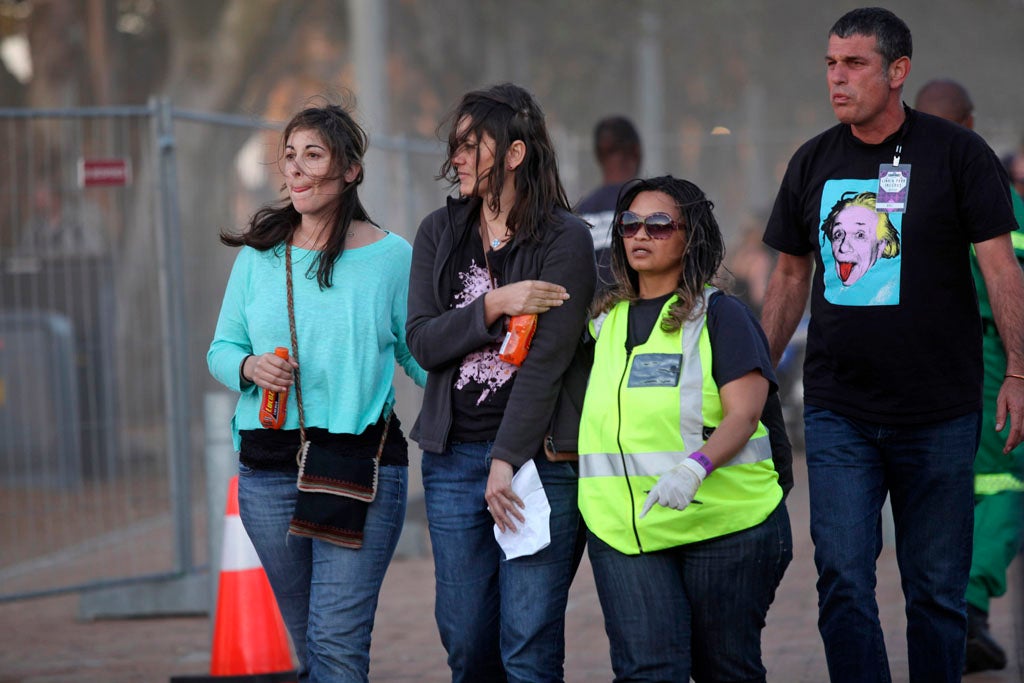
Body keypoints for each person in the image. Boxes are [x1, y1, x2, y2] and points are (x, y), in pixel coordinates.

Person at [760, 8, 1024, 682]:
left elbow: (1001, 269)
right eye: (830, 64)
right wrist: (757, 375)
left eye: (854, 65)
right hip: (838, 409)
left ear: (897, 71)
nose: (838, 78)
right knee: (843, 578)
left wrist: (1019, 371)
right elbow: (791, 276)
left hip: (940, 409)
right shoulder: (812, 161)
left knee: (936, 592)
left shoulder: (958, 155)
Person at [207, 102, 426, 682]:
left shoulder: (392, 258)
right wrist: (250, 366)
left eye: (313, 155)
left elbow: (418, 353)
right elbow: (221, 350)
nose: (296, 170)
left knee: (336, 644)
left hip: (360, 466)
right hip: (269, 466)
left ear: (350, 170)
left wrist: (492, 389)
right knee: (314, 645)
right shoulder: (260, 256)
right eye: (289, 156)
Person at [406, 82, 595, 682]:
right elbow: (423, 341)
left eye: (471, 145)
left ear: (513, 154)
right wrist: (495, 305)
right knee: (467, 643)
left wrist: (505, 460)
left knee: (528, 647)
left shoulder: (565, 239)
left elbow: (548, 361)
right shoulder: (440, 233)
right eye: (455, 145)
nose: (457, 157)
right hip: (452, 458)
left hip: (538, 461)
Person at [577, 175, 792, 682]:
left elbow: (745, 412)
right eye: (630, 224)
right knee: (649, 671)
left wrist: (694, 470)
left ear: (690, 235)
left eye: (658, 224)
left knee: (724, 669)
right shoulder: (605, 323)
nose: (640, 235)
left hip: (724, 526)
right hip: (625, 531)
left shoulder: (721, 315)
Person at [914, 76, 1024, 674]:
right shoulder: (1000, 200)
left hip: (919, 370)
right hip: (989, 360)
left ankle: (947, 616)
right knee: (1003, 482)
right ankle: (968, 612)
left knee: (940, 493)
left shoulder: (897, 200)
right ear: (972, 124)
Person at [575, 115, 642, 291]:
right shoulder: (650, 208)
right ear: (636, 151)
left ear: (597, 155)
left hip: (593, 315)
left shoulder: (580, 213)